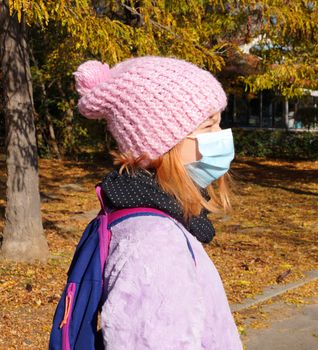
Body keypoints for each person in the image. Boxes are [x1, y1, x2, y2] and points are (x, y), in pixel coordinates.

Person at [73, 56, 243, 349]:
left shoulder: (150, 219)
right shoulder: (155, 244)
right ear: (162, 145)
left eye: (219, 123)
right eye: (208, 126)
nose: (221, 136)